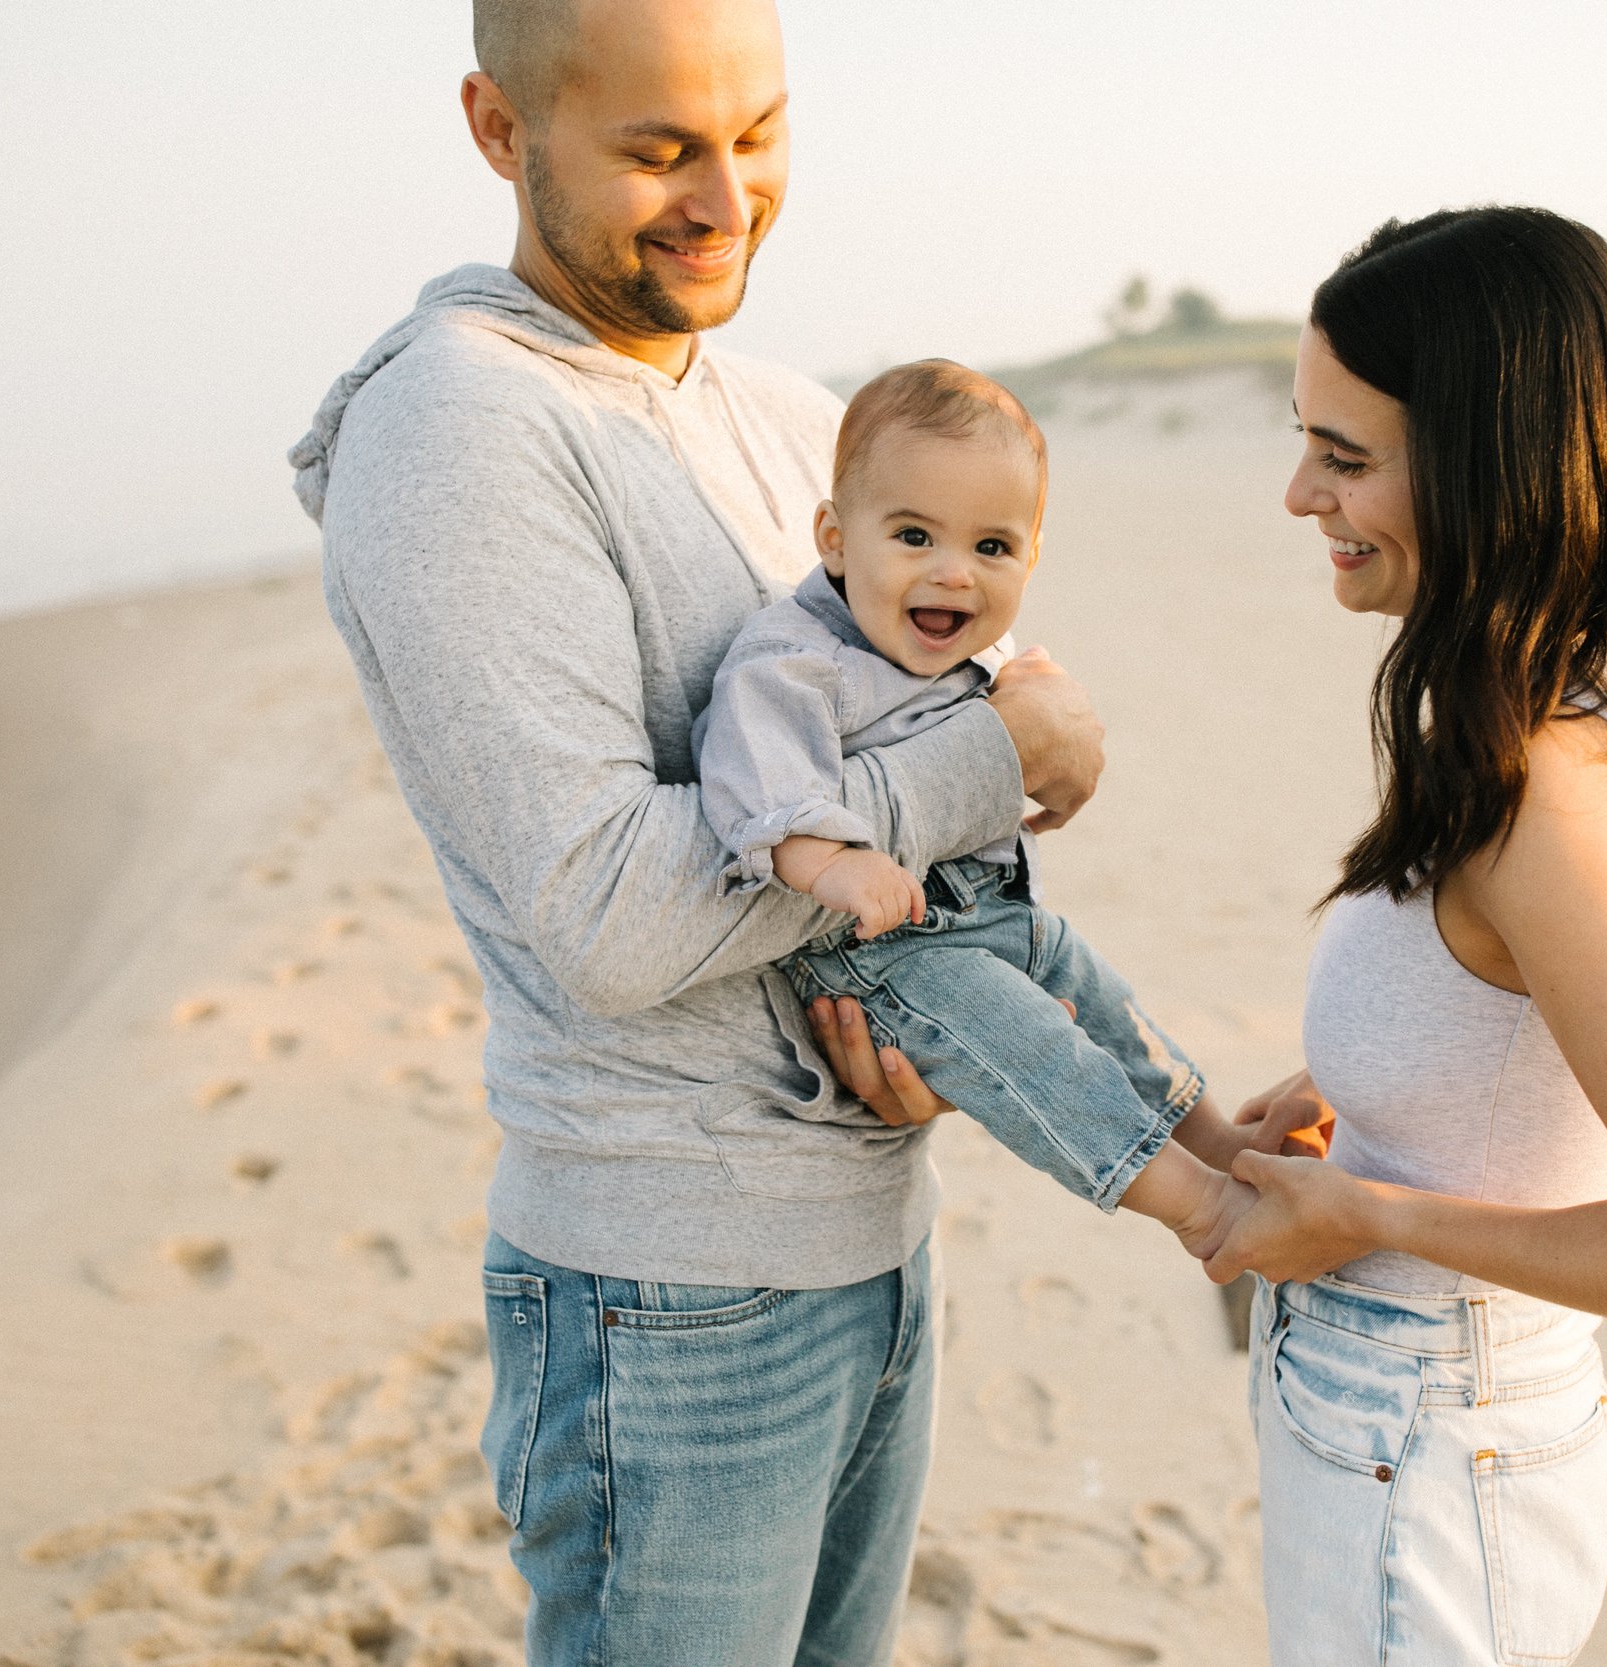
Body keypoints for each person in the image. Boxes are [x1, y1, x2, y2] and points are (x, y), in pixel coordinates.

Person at [286, 3, 1108, 1661]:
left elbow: (965, 729)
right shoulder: (458, 430)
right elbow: (610, 916)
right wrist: (982, 752)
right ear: (500, 131)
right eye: (661, 149)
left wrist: (936, 986)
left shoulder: (804, 420)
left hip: (872, 1238)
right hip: (666, 1297)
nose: (728, 195)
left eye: (758, 133)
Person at [1186, 208, 1607, 1665]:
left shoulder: (1543, 776)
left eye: (1346, 455)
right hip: (1444, 1428)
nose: (1301, 493)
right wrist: (1376, 1075)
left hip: (1427, 1434)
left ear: (1488, 457)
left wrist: (1376, 1210)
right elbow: (1595, 1051)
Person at [695, 358, 1258, 1256]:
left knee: (1098, 994)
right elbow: (758, 794)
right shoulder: (791, 663)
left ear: (1032, 556)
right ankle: (1202, 1207)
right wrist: (838, 863)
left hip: (995, 916)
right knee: (1037, 1050)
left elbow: (1026, 733)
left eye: (991, 548)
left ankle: (1219, 1139)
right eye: (914, 536)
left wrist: (1049, 750)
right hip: (883, 956)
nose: (955, 575)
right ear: (835, 539)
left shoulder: (967, 650)